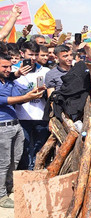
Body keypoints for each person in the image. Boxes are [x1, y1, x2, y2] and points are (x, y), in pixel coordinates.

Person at [0, 54, 44, 208]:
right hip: (2, 127)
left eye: (9, 67)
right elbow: (5, 100)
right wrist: (26, 96)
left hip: (15, 125)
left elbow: (20, 96)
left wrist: (35, 91)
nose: (9, 70)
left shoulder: (9, 82)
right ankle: (1, 196)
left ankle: (9, 187)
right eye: (4, 67)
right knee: (3, 162)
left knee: (15, 159)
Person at [12, 41, 50, 170]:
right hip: (21, 116)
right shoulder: (13, 70)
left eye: (36, 54)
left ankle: (37, 171)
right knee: (24, 147)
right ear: (22, 53)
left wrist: (44, 92)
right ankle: (25, 172)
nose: (33, 58)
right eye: (30, 54)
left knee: (40, 148)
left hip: (40, 115)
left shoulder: (45, 71)